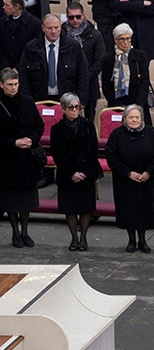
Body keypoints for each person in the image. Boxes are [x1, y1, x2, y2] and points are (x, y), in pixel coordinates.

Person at [104, 104, 154, 253]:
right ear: (125, 119)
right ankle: (131, 240)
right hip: (125, 180)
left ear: (142, 118)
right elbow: (111, 157)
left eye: (137, 117)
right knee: (128, 210)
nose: (134, 120)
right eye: (131, 117)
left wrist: (149, 172)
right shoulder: (117, 134)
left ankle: (143, 241)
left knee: (144, 210)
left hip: (146, 179)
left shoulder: (151, 132)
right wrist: (128, 173)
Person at [49, 93, 100, 251]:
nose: (75, 110)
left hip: (86, 172)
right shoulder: (57, 129)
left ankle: (83, 238)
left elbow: (94, 150)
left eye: (77, 107)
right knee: (70, 207)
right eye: (71, 107)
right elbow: (58, 154)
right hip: (67, 174)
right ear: (64, 109)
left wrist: (83, 172)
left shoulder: (88, 125)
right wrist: (72, 172)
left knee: (85, 207)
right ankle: (74, 238)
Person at [0, 66, 40, 247]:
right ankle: (15, 232)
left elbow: (38, 126)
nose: (13, 87)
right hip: (7, 160)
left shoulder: (27, 101)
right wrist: (13, 143)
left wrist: (31, 140)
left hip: (26, 159)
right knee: (11, 201)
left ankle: (25, 231)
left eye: (16, 84)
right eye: (9, 84)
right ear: (1, 85)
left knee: (26, 200)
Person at [19, 13, 89, 104]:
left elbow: (82, 74)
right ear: (43, 28)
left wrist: (81, 100)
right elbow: (24, 75)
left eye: (56, 27)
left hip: (67, 100)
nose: (53, 31)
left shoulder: (73, 46)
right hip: (38, 99)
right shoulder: (31, 48)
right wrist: (27, 100)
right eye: (49, 28)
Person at [100, 23, 151, 120]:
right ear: (115, 40)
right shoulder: (108, 59)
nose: (126, 42)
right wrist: (118, 106)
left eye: (128, 39)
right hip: (117, 106)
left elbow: (145, 82)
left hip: (138, 105)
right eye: (122, 39)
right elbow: (106, 86)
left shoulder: (140, 56)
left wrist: (137, 106)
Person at [63, 2, 105, 120]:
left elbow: (100, 60)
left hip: (90, 84)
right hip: (67, 83)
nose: (75, 20)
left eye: (78, 16)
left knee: (89, 120)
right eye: (71, 17)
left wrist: (85, 76)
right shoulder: (61, 34)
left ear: (84, 16)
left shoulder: (95, 35)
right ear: (67, 17)